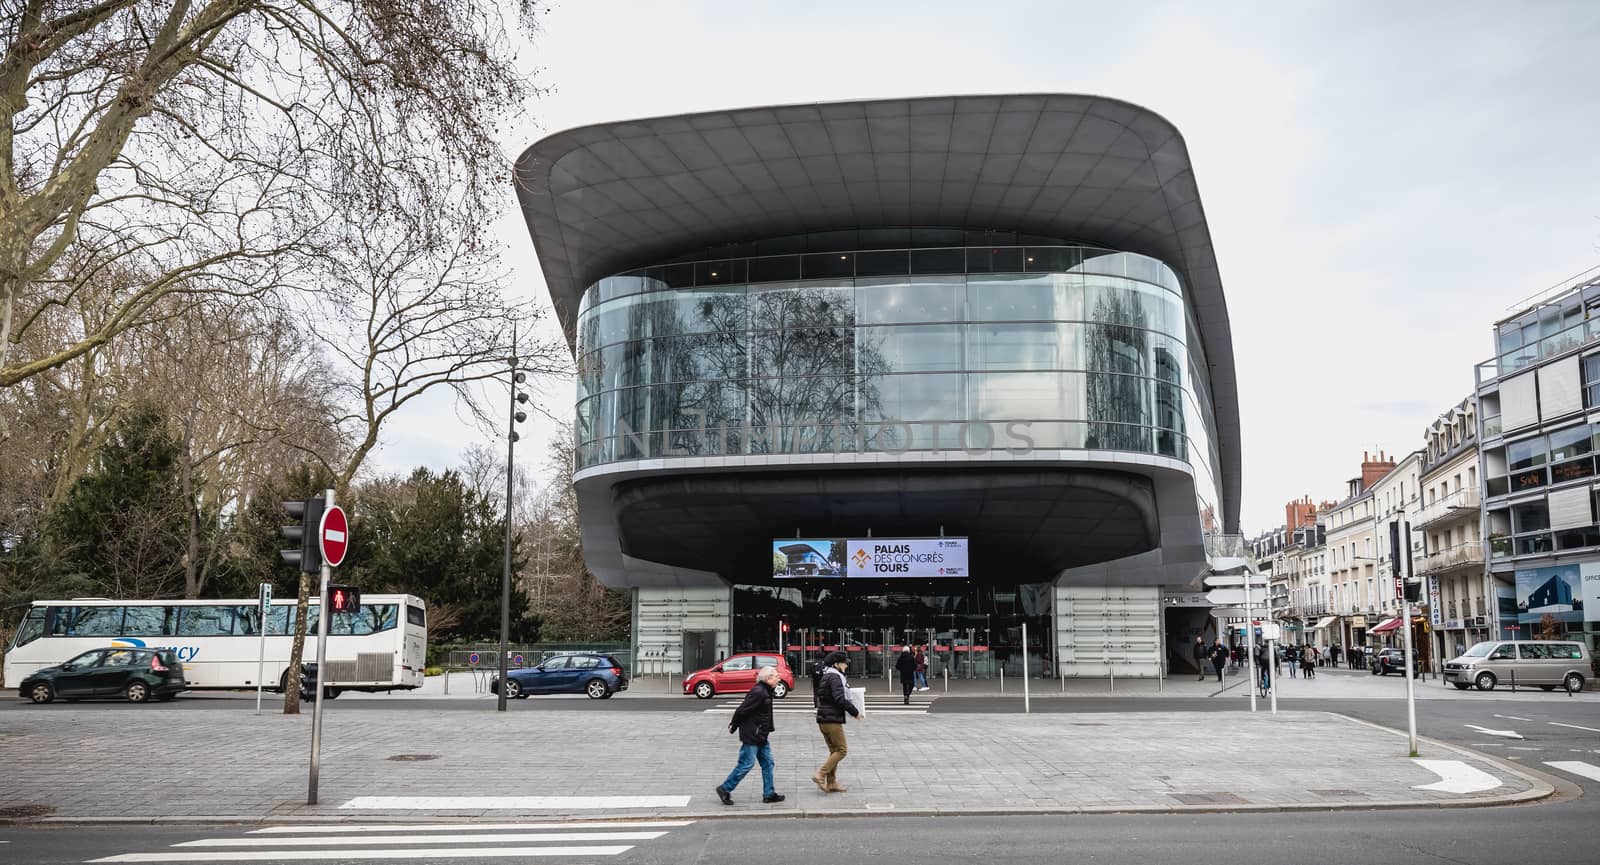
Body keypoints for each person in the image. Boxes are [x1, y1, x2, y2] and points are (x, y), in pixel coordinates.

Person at [714, 666, 785, 805]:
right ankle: (724, 788)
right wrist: (733, 725)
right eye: (776, 676)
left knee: (768, 763)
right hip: (752, 734)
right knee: (746, 764)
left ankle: (769, 794)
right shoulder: (758, 692)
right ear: (768, 678)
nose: (779, 678)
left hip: (761, 734)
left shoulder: (766, 691)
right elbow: (742, 710)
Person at [812, 652, 862, 793]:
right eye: (844, 663)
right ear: (836, 664)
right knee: (841, 750)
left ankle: (832, 782)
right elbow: (839, 699)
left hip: (824, 718)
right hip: (831, 719)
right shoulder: (835, 677)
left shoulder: (827, 675)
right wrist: (855, 711)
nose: (846, 665)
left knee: (834, 751)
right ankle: (821, 774)